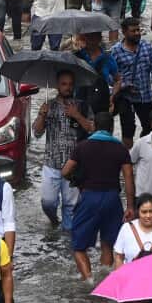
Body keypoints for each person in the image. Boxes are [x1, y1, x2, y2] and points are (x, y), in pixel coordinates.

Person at [63, 112, 136, 282]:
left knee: (78, 245)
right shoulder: (121, 149)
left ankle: (89, 281)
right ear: (112, 128)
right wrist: (130, 206)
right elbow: (129, 179)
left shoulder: (82, 146)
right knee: (108, 244)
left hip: (89, 197)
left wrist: (77, 180)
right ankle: (106, 280)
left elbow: (65, 171)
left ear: (94, 125)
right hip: (112, 199)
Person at [33, 70, 93, 231]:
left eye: (70, 84)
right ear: (57, 86)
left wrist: (77, 116)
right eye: (64, 84)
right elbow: (37, 133)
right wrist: (41, 115)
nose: (67, 87)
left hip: (74, 166)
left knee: (71, 206)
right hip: (51, 163)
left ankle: (67, 243)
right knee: (48, 202)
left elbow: (93, 129)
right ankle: (53, 220)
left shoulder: (82, 106)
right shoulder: (49, 106)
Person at [110, 18, 152, 145]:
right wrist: (123, 85)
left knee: (149, 127)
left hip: (144, 95)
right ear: (124, 32)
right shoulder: (116, 51)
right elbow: (110, 76)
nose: (137, 33)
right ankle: (127, 157)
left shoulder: (147, 47)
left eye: (138, 30)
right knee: (128, 128)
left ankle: (141, 149)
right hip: (125, 96)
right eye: (133, 31)